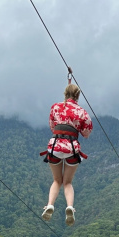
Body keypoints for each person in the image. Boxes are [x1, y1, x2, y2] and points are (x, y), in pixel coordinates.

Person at [40, 84, 93, 226]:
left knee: (57, 180)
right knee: (67, 182)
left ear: (65, 93)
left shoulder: (55, 107)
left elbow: (52, 126)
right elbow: (87, 132)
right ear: (78, 96)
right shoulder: (82, 112)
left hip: (55, 145)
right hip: (72, 148)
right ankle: (70, 207)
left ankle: (50, 204)